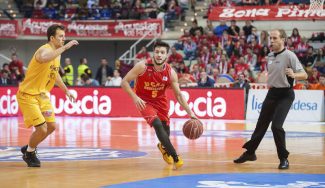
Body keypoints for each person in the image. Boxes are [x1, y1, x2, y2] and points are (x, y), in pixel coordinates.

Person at [233, 29, 308, 169]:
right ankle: (250, 153)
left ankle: (283, 158)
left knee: (276, 126)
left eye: (274, 38)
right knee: (261, 125)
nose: (271, 41)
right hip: (272, 93)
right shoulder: (270, 56)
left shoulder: (290, 55)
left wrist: (294, 74)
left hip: (285, 95)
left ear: (283, 40)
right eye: (270, 38)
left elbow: (304, 75)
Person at [121, 41, 197, 169]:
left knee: (165, 129)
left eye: (162, 53)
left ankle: (163, 146)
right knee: (156, 124)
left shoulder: (170, 72)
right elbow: (124, 82)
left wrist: (191, 113)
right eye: (157, 52)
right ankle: (175, 157)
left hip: (160, 101)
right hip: (144, 101)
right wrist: (134, 97)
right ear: (153, 53)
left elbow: (178, 95)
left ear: (166, 56)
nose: (159, 55)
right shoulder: (142, 66)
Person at [17, 24, 78, 167]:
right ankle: (29, 153)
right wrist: (66, 47)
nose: (63, 39)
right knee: (42, 128)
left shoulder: (57, 54)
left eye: (64, 37)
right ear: (52, 38)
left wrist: (66, 90)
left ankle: (29, 147)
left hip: (42, 95)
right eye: (61, 37)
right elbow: (43, 58)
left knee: (51, 126)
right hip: (28, 95)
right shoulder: (44, 49)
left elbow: (54, 73)